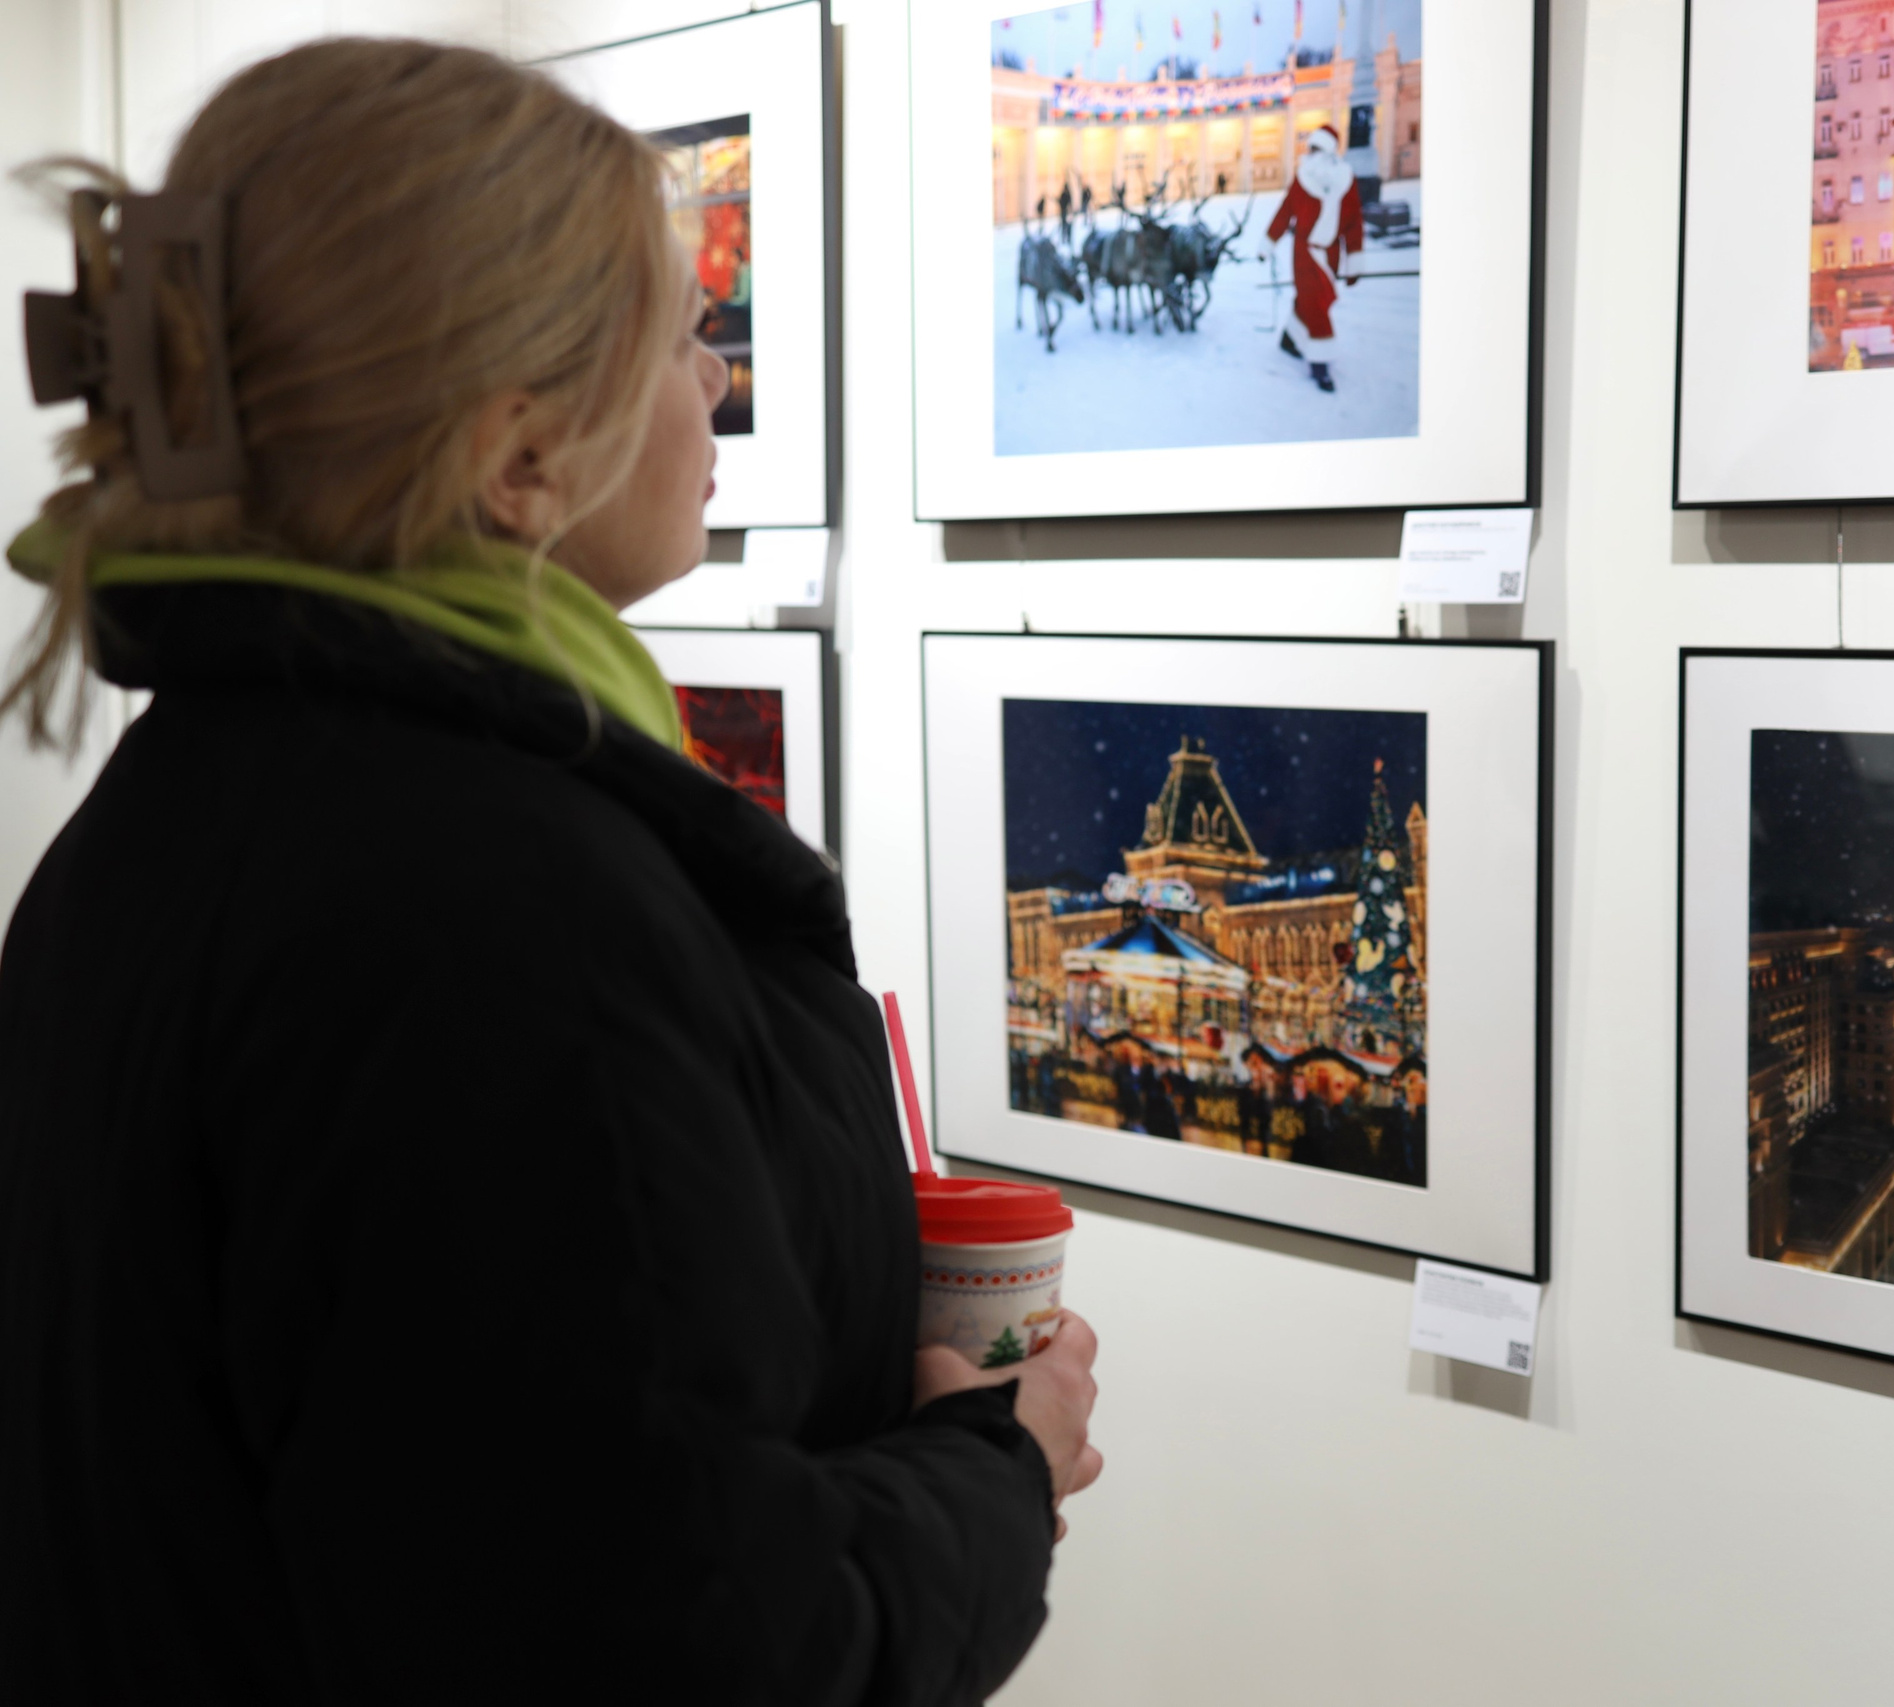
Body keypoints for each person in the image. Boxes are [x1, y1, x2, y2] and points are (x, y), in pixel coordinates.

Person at [0, 38, 1098, 1706]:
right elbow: (674, 1644)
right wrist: (990, 1474)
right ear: (519, 460)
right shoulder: (501, 915)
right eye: (683, 335)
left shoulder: (170, 811)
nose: (718, 381)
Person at [1263, 125, 1363, 393]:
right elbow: (1285, 212)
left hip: (1330, 254)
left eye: (1319, 149)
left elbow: (1354, 222)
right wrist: (1268, 244)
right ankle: (1321, 365)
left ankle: (1289, 340)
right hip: (1305, 253)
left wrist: (1355, 258)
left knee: (1319, 300)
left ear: (1331, 151)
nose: (1314, 154)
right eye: (1312, 149)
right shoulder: (1303, 177)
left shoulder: (1346, 180)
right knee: (1316, 304)